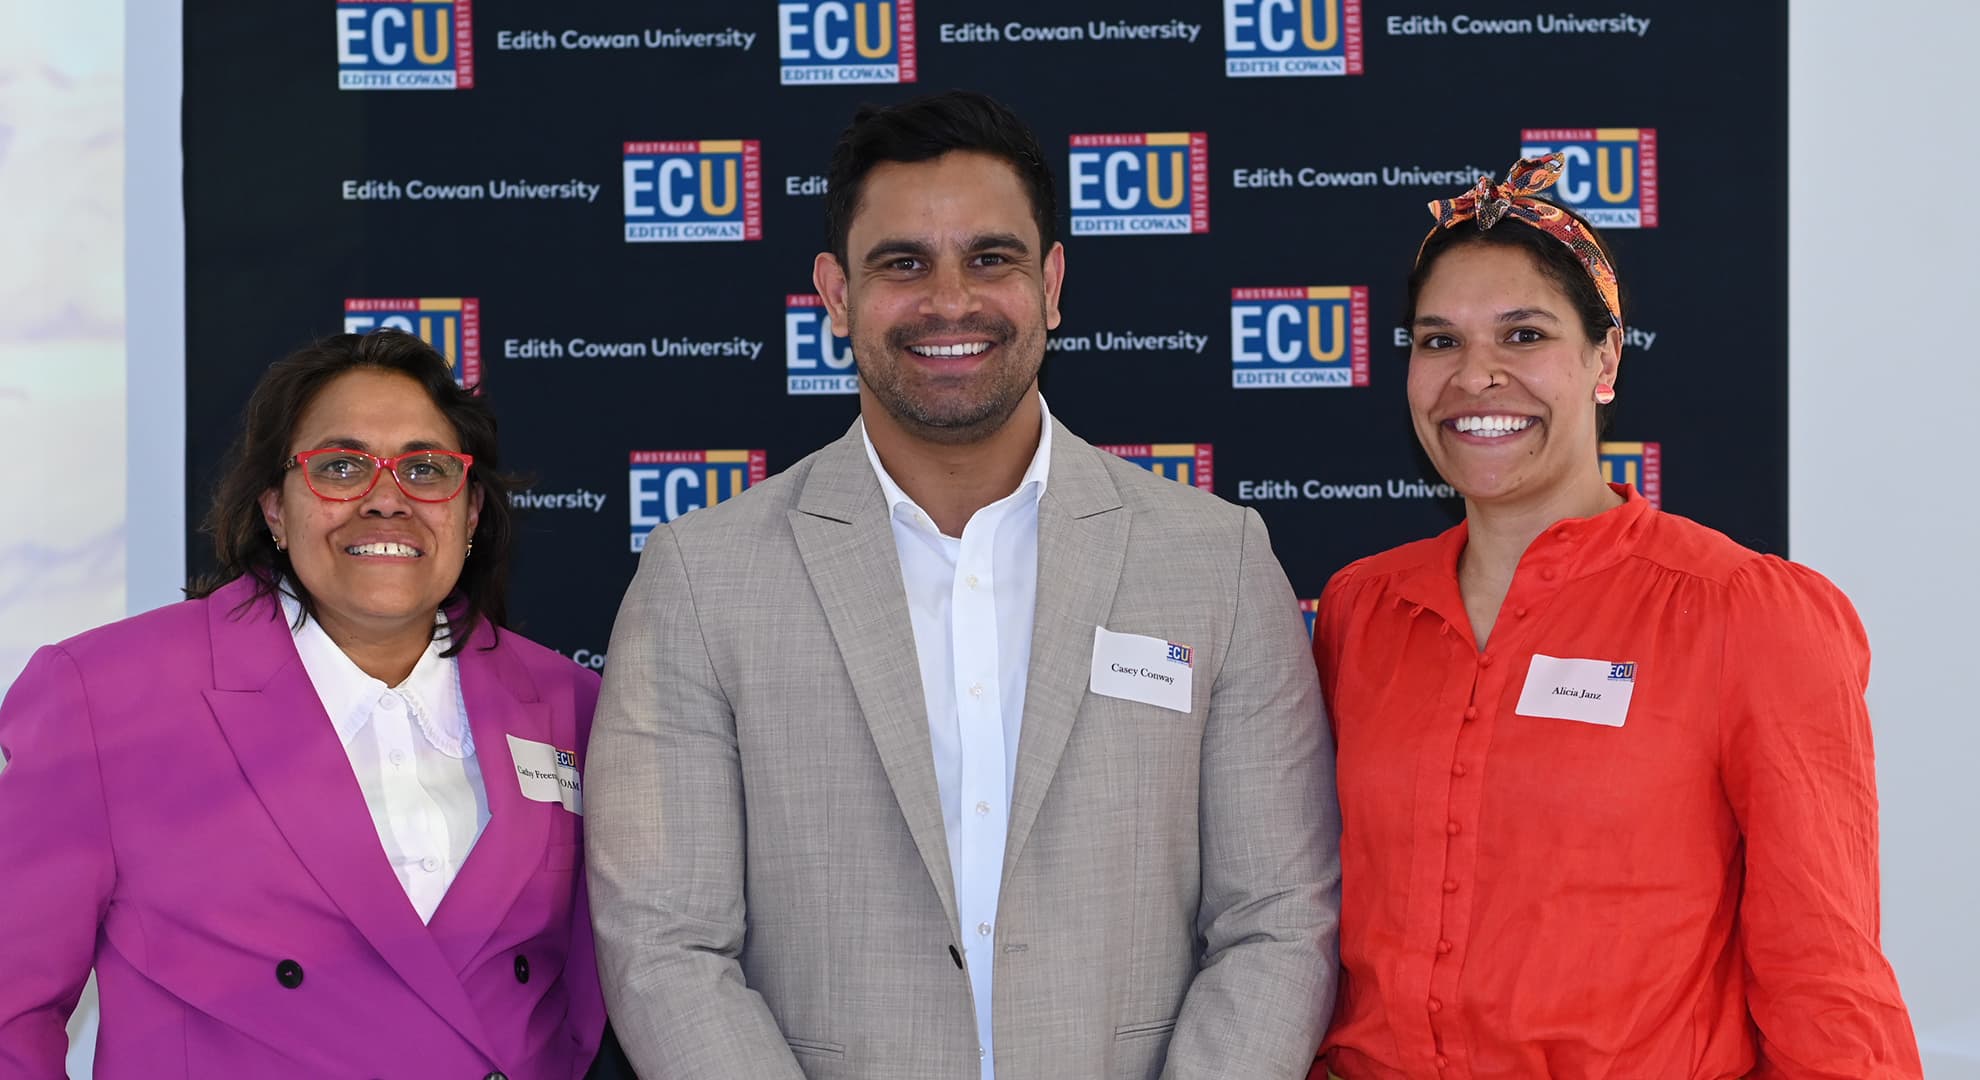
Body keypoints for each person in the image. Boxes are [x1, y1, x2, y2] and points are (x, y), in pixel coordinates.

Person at [587, 90, 1340, 1079]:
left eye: (992, 259)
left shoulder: (1216, 560)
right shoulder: (701, 578)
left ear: (1053, 283)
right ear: (835, 293)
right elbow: (664, 943)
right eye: (903, 263)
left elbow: (1278, 918)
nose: (951, 301)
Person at [1310, 156, 1922, 1078]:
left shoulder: (1742, 614)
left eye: (1523, 335)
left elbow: (1824, 972)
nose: (1474, 376)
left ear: (1605, 359)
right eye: (1438, 342)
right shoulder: (1364, 609)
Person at [0, 330, 607, 1078]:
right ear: (275, 511)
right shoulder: (104, 695)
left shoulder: (573, 706)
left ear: (471, 512)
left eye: (426, 469)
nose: (387, 500)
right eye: (341, 467)